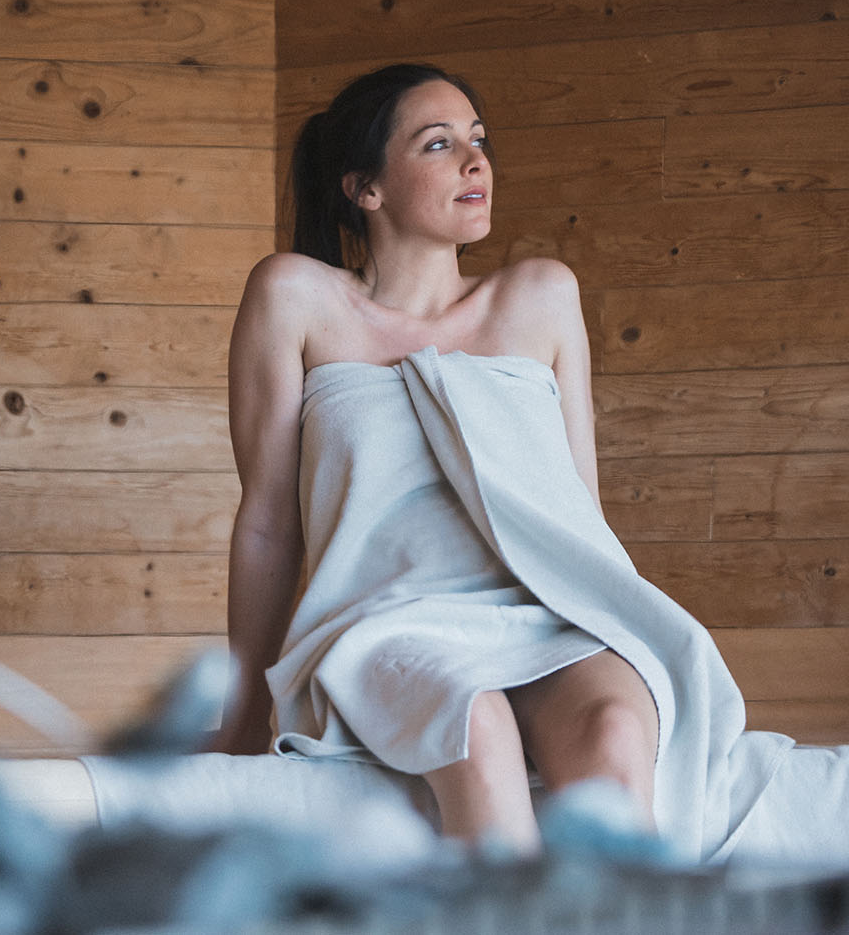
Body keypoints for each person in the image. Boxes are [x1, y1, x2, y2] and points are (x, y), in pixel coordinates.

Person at [213, 63, 779, 858]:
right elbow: (269, 524)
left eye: (478, 141)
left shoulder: (540, 296)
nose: (476, 162)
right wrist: (242, 713)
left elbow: (580, 508)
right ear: (364, 188)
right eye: (439, 144)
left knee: (616, 731)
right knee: (472, 721)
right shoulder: (297, 298)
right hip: (389, 621)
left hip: (549, 614)